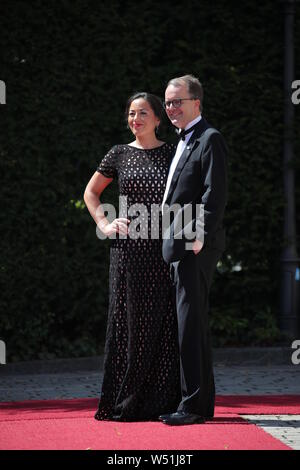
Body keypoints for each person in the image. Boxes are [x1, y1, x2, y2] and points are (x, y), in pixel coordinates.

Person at [83, 92, 181, 421]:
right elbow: (91, 192)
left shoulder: (173, 153)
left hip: (164, 251)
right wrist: (105, 224)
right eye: (130, 114)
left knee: (165, 322)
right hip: (128, 252)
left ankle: (161, 401)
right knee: (127, 324)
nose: (134, 119)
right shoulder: (118, 154)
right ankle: (124, 400)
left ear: (157, 119)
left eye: (142, 114)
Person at [159, 74, 228, 426]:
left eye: (177, 102)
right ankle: (198, 403)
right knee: (191, 324)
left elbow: (213, 196)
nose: (171, 108)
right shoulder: (183, 141)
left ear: (196, 103)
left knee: (190, 324)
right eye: (168, 102)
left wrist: (197, 240)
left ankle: (192, 406)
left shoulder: (209, 138)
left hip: (194, 246)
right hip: (179, 245)